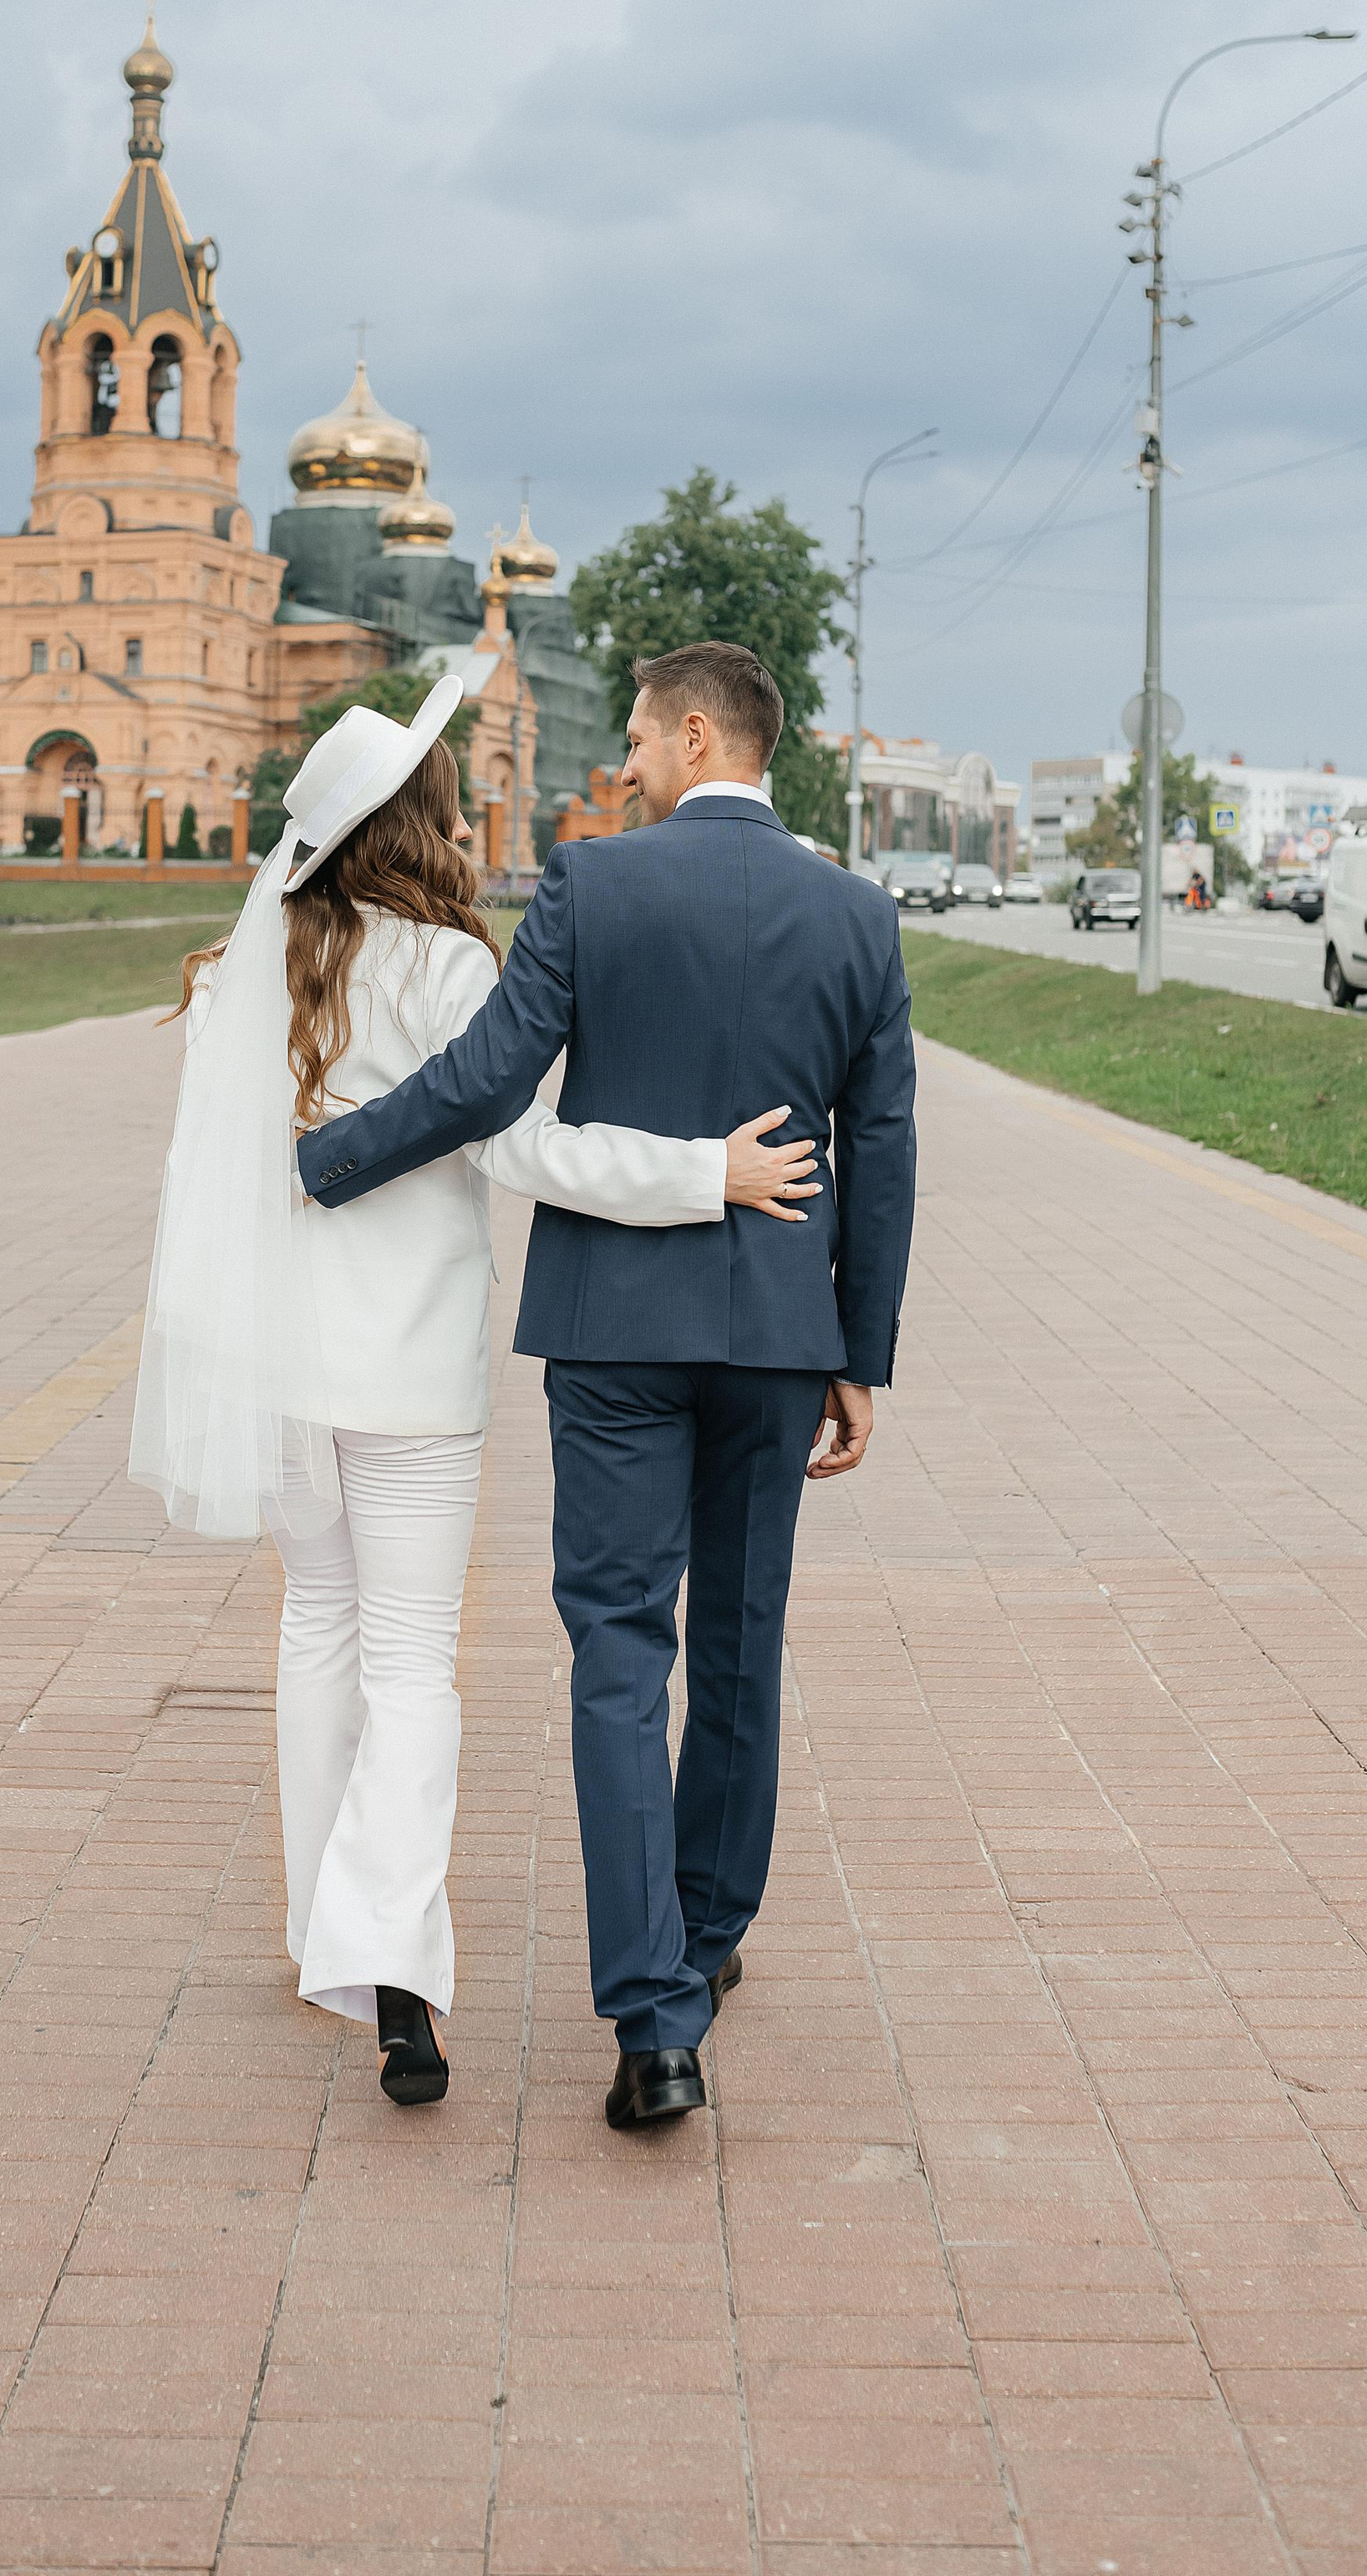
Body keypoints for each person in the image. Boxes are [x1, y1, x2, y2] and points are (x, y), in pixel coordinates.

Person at [128, 677, 816, 2108]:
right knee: (408, 1666)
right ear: (430, 822)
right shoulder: (448, 971)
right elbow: (533, 1152)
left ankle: (331, 1932)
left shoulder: (245, 964)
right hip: (410, 1376)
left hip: (277, 1365)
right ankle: (394, 1968)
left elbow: (211, 1186)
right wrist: (711, 1175)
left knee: (314, 1628)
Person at [298, 643, 916, 2130]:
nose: (624, 762)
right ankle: (706, 1945)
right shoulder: (860, 916)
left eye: (638, 737)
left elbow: (494, 1079)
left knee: (620, 1652)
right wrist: (858, 1353)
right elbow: (882, 1151)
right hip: (778, 1337)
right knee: (745, 1636)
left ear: (696, 733)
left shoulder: (594, 883)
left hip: (616, 1339)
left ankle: (651, 2024)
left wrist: (333, 1156)